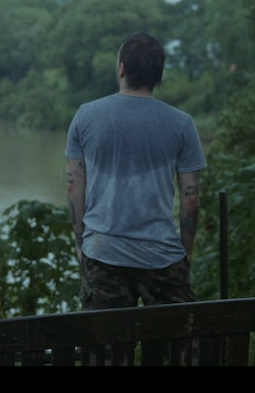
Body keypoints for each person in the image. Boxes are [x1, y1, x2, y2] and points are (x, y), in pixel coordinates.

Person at [64, 32, 206, 312]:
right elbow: (191, 200)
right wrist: (186, 252)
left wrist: (81, 242)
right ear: (158, 74)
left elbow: (73, 187)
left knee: (105, 350)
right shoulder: (182, 124)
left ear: (121, 68)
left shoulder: (86, 116)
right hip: (162, 255)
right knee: (177, 348)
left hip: (103, 252)